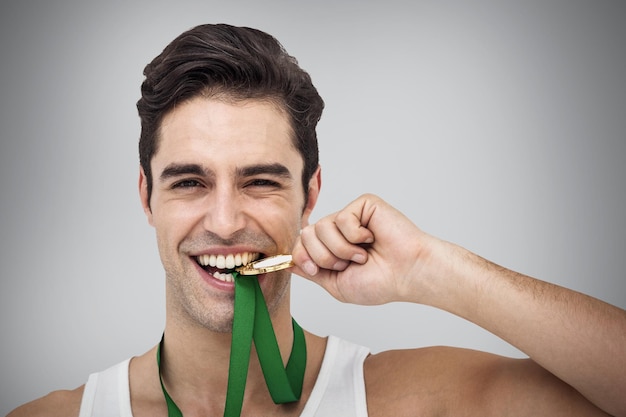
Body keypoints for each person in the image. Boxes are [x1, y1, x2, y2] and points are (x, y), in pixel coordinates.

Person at [8, 23, 626, 417]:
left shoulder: (410, 401)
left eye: (261, 181)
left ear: (310, 195)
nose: (224, 221)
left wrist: (431, 269)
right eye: (190, 182)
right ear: (147, 198)